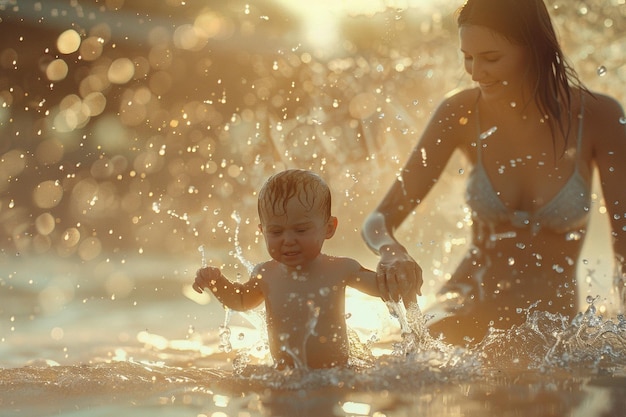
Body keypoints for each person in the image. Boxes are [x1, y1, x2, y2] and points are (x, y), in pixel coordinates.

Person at [362, 0, 626, 346]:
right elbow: (379, 220)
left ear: (533, 50)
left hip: (551, 332)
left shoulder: (597, 117)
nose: (474, 71)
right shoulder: (460, 112)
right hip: (461, 310)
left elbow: (623, 239)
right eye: (467, 57)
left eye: (490, 58)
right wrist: (390, 250)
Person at [193, 169, 414, 369]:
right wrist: (217, 282)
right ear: (262, 231)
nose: (288, 240)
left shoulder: (341, 269)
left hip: (335, 375)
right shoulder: (265, 275)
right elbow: (240, 300)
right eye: (276, 232)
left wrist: (401, 277)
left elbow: (383, 287)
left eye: (300, 230)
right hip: (286, 376)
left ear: (328, 228)